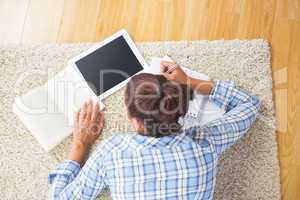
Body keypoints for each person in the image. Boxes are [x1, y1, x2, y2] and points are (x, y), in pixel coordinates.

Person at [48, 61, 261, 200]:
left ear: (134, 121)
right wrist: (188, 81)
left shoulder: (112, 153)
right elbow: (250, 105)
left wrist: (80, 144)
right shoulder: (206, 143)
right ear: (179, 110)